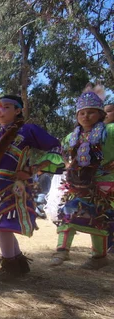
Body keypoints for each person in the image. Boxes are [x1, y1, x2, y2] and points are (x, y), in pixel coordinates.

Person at [0, 95, 63, 280]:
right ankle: (18, 262)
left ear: (18, 110)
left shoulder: (27, 130)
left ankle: (9, 265)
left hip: (14, 184)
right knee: (0, 224)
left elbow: (56, 148)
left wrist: (33, 169)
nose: (0, 110)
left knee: (1, 224)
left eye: (6, 107)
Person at [49, 84, 114, 270]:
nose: (85, 116)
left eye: (91, 112)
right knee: (69, 212)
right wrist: (68, 165)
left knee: (99, 219)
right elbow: (60, 151)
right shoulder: (72, 136)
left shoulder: (109, 131)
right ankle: (62, 250)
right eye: (81, 113)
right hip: (78, 182)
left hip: (105, 183)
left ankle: (99, 257)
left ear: (101, 115)